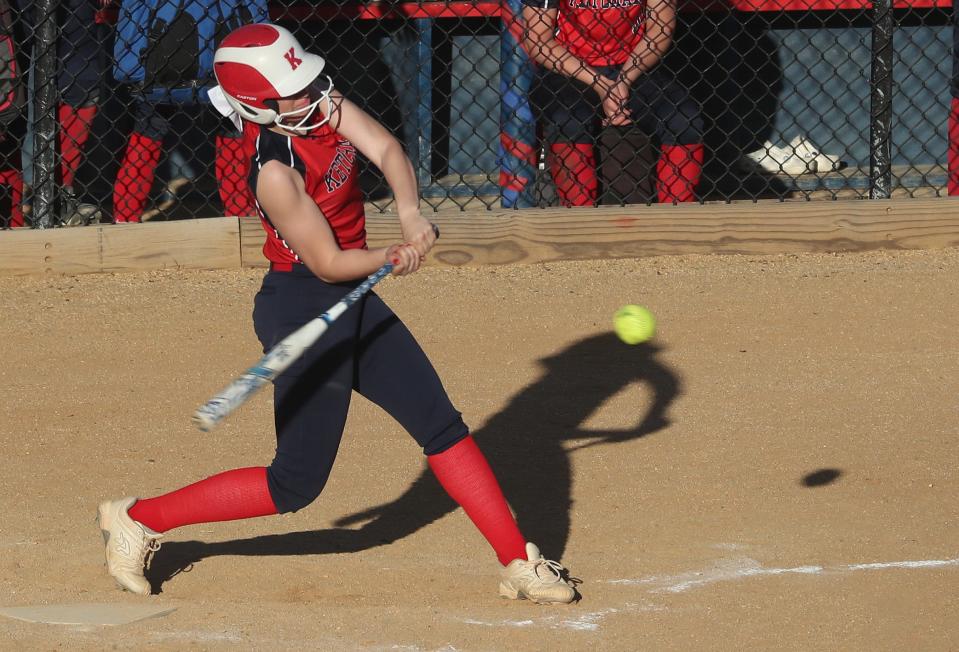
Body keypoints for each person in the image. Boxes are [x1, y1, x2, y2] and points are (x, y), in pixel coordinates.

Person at [96, 23, 579, 605]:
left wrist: (408, 215)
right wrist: (388, 256)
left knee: (440, 425)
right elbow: (326, 263)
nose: (312, 95)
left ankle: (516, 561)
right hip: (302, 306)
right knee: (295, 484)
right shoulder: (275, 172)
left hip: (352, 299)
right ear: (258, 107)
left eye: (306, 82)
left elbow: (386, 148)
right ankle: (140, 518)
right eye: (293, 92)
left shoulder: (320, 104)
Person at [522, 0, 704, 206]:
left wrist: (624, 80)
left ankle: (675, 223)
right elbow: (538, 41)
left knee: (684, 118)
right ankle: (579, 224)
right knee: (569, 120)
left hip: (634, 63)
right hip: (569, 66)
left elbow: (660, 29)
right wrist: (601, 85)